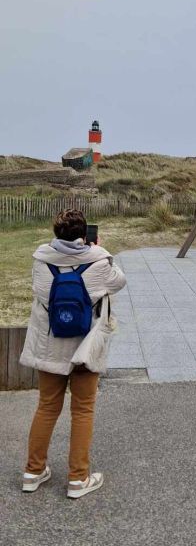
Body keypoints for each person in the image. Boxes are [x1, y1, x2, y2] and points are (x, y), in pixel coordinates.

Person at [20, 209, 126, 499]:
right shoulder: (99, 261)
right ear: (85, 235)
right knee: (82, 409)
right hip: (85, 346)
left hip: (50, 344)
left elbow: (41, 293)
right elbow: (118, 281)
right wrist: (98, 249)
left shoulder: (41, 261)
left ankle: (33, 471)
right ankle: (78, 477)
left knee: (46, 406)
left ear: (56, 234)